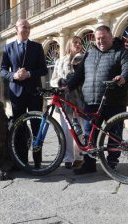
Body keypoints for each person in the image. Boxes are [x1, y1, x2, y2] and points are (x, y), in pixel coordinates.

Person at [65, 25, 128, 175]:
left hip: (114, 101)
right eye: (98, 38)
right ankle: (89, 164)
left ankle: (111, 163)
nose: (100, 41)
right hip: (91, 101)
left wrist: (123, 78)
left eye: (103, 38)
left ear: (111, 37)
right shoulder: (89, 54)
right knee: (89, 134)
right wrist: (67, 87)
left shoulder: (122, 52)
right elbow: (79, 75)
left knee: (114, 135)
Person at [0, 18, 48, 167]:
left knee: (36, 128)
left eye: (28, 27)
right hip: (17, 94)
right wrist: (13, 75)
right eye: (23, 27)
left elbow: (44, 69)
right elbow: (2, 71)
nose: (26, 29)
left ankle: (38, 161)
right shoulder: (8, 48)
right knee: (19, 128)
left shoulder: (37, 47)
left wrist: (29, 74)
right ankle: (22, 160)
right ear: (16, 29)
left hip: (34, 93)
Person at [50, 36, 84, 169]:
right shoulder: (59, 61)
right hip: (64, 100)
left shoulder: (84, 59)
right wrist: (59, 82)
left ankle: (79, 157)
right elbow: (53, 79)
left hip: (80, 99)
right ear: (69, 44)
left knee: (80, 129)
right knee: (66, 130)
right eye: (75, 42)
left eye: (80, 43)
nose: (78, 45)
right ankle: (68, 158)